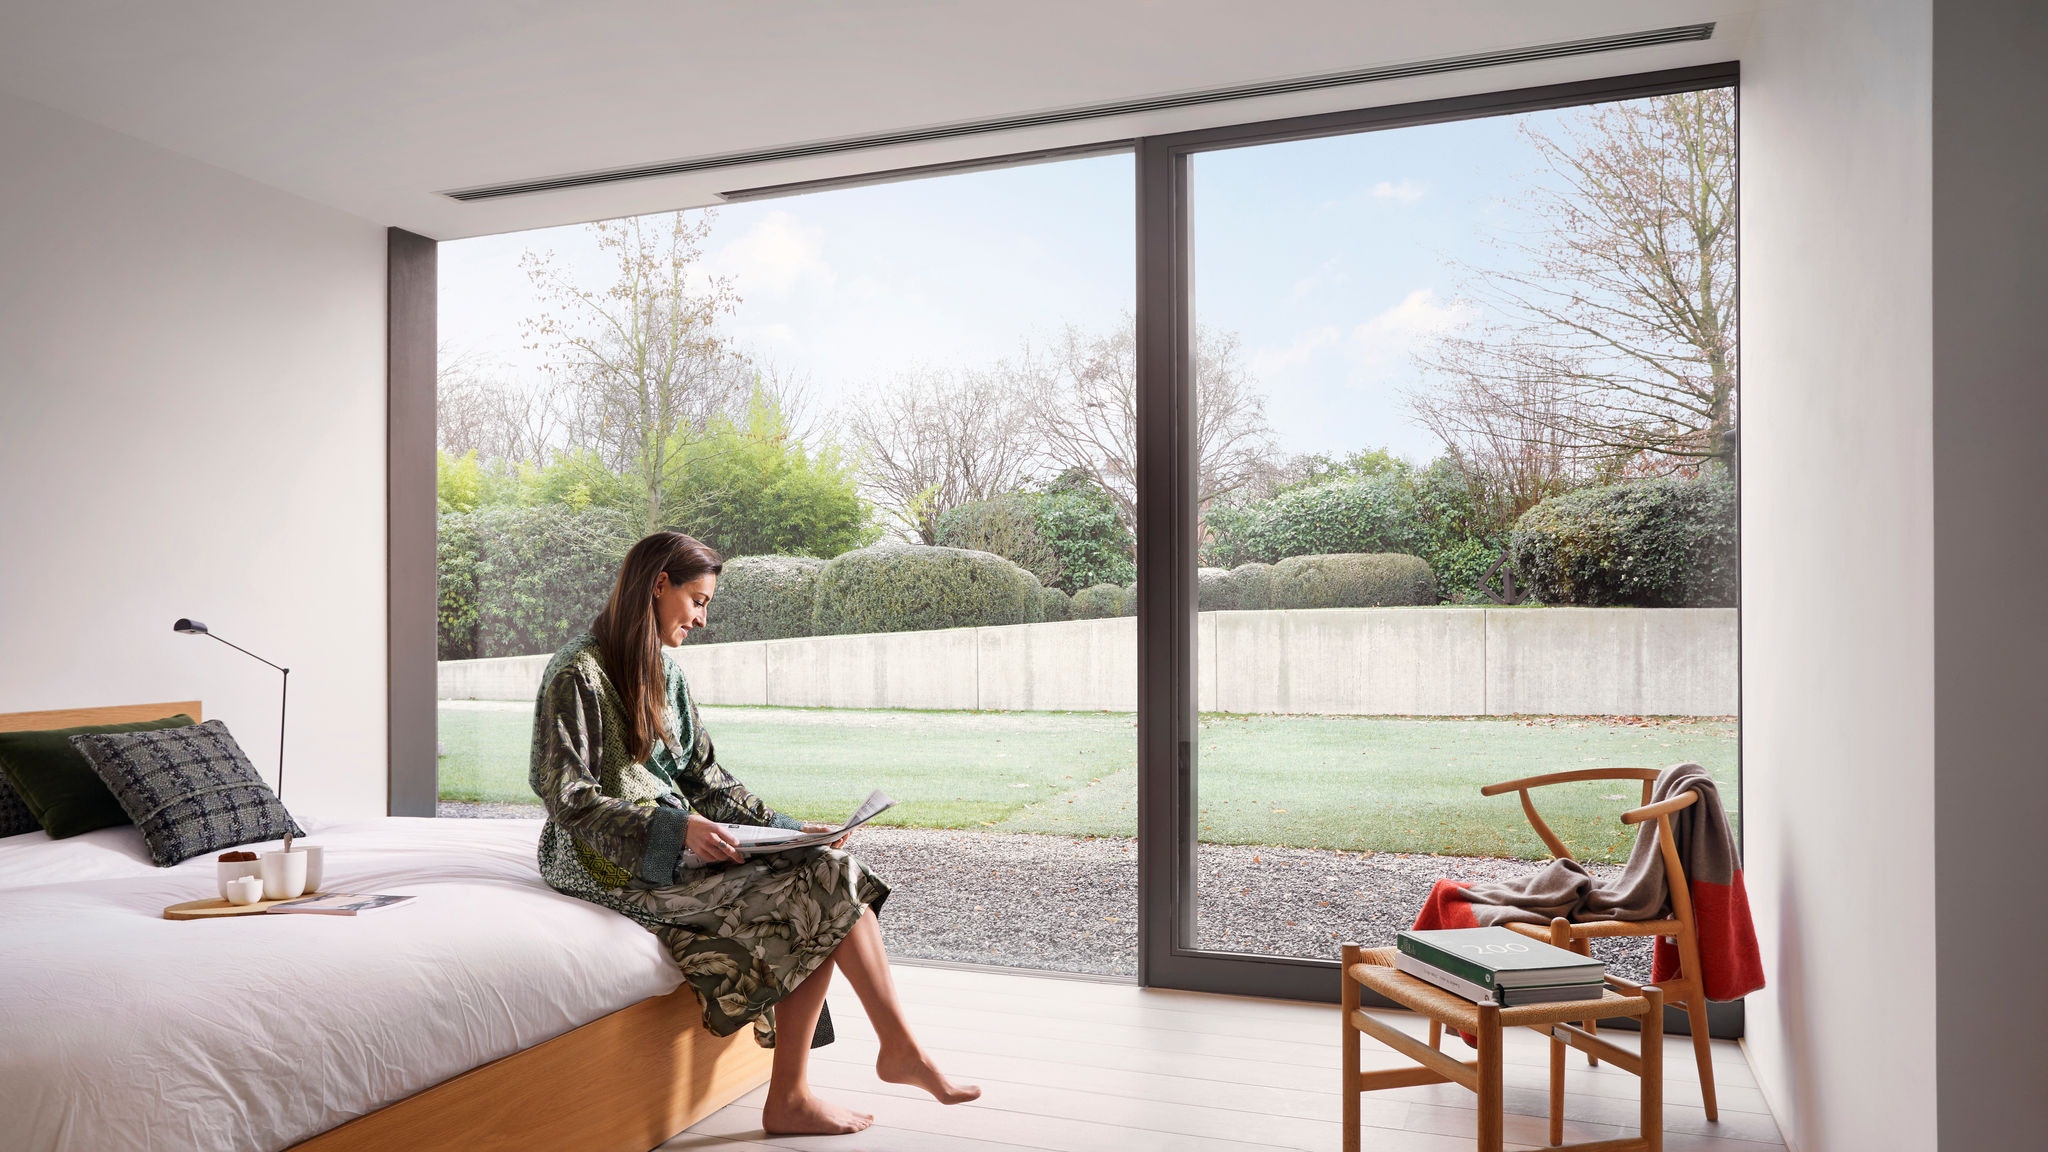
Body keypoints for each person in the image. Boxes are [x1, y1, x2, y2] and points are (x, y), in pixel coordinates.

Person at [529, 531, 978, 1135]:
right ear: (659, 585)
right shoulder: (575, 674)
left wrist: (792, 831)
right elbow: (569, 799)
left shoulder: (666, 673)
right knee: (816, 895)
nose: (703, 618)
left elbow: (705, 778)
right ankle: (831, 1082)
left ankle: (872, 1060)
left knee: (828, 870)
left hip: (678, 841)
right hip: (600, 859)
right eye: (697, 600)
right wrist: (676, 828)